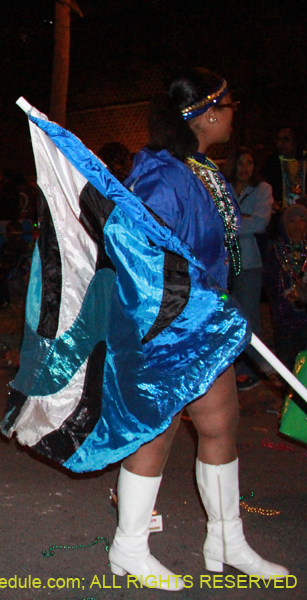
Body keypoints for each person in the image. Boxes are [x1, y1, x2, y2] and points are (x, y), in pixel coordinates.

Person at [117, 68, 287, 589]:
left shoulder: (204, 171)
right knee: (158, 434)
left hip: (208, 322)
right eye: (230, 105)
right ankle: (128, 548)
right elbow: (137, 248)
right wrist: (189, 300)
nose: (235, 113)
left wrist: (221, 299)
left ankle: (226, 539)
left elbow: (220, 249)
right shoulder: (160, 175)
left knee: (220, 425)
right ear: (206, 113)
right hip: (168, 325)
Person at [223, 147, 275, 390]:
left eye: (250, 163)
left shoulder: (262, 189)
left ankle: (254, 367)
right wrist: (242, 219)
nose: (245, 169)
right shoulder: (222, 188)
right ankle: (228, 369)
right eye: (241, 163)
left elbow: (261, 222)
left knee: (249, 314)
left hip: (248, 260)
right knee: (226, 314)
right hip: (223, 261)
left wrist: (231, 222)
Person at [262, 203, 307, 372]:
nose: (297, 225)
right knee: (287, 356)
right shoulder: (276, 251)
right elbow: (270, 280)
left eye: (302, 221)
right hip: (284, 313)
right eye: (292, 221)